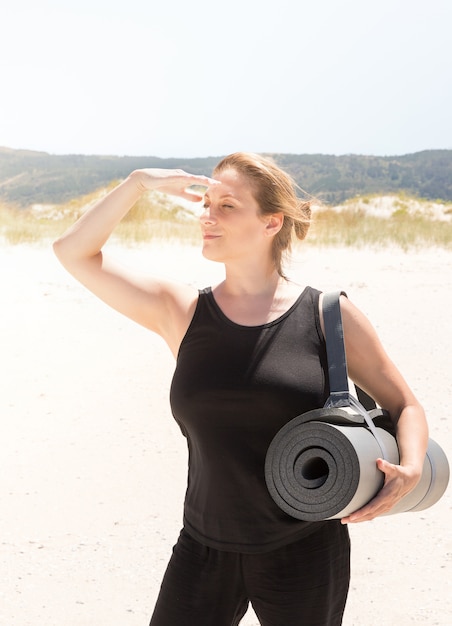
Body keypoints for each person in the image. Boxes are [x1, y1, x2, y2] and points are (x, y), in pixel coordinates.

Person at [53, 152, 428, 626]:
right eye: (206, 204)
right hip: (203, 546)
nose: (207, 216)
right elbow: (73, 252)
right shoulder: (182, 312)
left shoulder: (328, 316)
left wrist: (411, 469)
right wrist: (137, 183)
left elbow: (404, 405)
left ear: (272, 222)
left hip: (305, 551)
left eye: (227, 206)